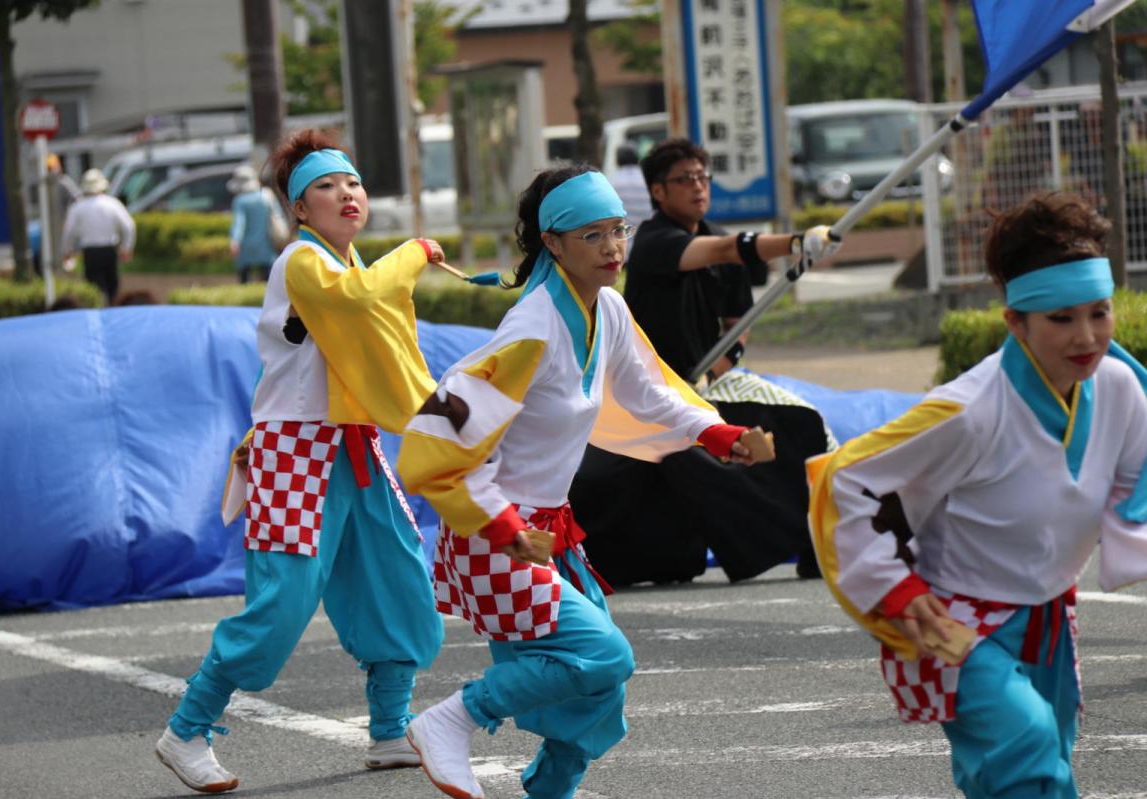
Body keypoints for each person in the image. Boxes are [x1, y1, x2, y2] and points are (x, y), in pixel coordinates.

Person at [396, 165, 773, 799]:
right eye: (592, 235)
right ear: (554, 243)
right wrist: (504, 524)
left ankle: (551, 790)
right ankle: (450, 719)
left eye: (617, 231)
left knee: (602, 691)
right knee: (604, 656)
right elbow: (444, 438)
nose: (613, 249)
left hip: (548, 531)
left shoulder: (608, 308)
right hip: (497, 534)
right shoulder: (532, 328)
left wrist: (716, 433)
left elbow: (651, 391)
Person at [808, 191, 1147, 798]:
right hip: (957, 619)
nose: (1088, 336)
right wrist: (893, 586)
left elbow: (1135, 482)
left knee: (1041, 761)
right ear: (1014, 321)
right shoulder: (971, 408)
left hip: (1048, 612)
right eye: (1061, 319)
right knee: (1027, 749)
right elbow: (846, 477)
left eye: (1100, 313)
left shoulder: (1121, 386)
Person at [154, 130, 446, 794]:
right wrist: (417, 250)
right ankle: (186, 729)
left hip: (355, 446)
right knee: (281, 605)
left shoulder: (348, 261)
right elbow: (362, 302)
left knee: (397, 579)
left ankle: (390, 729)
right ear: (298, 210)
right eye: (325, 186)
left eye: (354, 183)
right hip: (294, 450)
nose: (346, 194)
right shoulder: (301, 261)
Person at [570, 137, 838, 585]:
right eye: (684, 179)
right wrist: (795, 242)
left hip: (710, 384)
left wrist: (717, 370)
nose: (698, 187)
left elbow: (739, 324)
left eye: (702, 177)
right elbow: (722, 251)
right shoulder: (655, 243)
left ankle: (818, 541)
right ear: (658, 192)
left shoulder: (719, 242)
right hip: (650, 393)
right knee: (680, 458)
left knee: (802, 420)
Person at [61, 168, 136, 304]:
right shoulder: (112, 204)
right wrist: (126, 247)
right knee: (112, 286)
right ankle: (112, 312)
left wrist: (67, 251)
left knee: (95, 288)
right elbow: (128, 226)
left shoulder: (78, 207)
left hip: (90, 253)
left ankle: (99, 314)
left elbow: (68, 231)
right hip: (109, 250)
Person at [227, 164, 285, 283]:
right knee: (268, 273)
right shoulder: (266, 196)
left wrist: (234, 241)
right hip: (267, 242)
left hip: (246, 246)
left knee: (244, 273)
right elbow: (278, 215)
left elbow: (239, 224)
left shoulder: (240, 201)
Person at [607, 143, 651, 253]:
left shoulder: (611, 181)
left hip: (623, 246)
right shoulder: (648, 179)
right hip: (649, 242)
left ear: (617, 160)